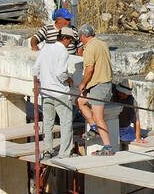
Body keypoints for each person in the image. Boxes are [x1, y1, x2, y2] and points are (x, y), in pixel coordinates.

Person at [33, 30, 75, 161]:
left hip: (46, 92)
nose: (70, 44)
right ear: (66, 39)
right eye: (70, 41)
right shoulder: (63, 51)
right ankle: (64, 153)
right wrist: (69, 80)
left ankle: (47, 150)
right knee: (66, 123)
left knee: (47, 123)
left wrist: (40, 81)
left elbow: (35, 68)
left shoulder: (46, 48)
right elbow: (61, 73)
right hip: (60, 92)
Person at [75, 24, 114, 155]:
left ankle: (108, 147)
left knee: (99, 117)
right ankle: (93, 128)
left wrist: (83, 83)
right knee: (80, 102)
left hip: (99, 85)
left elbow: (89, 68)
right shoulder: (102, 44)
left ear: (83, 36)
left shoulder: (90, 47)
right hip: (103, 83)